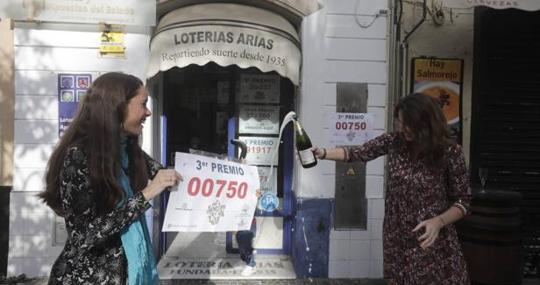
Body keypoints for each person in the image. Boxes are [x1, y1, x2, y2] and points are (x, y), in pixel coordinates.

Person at [39, 72, 183, 285]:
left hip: (130, 274)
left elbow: (171, 176)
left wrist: (239, 185)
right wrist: (146, 195)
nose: (149, 112)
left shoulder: (127, 148)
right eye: (143, 104)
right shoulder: (78, 156)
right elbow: (83, 235)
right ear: (117, 106)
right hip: (88, 278)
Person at [313, 93, 471, 285]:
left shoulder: (450, 152)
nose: (402, 129)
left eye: (407, 124)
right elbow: (356, 153)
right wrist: (322, 153)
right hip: (396, 237)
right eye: (399, 122)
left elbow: (463, 201)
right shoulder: (394, 142)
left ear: (426, 123)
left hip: (432, 240)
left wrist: (438, 221)